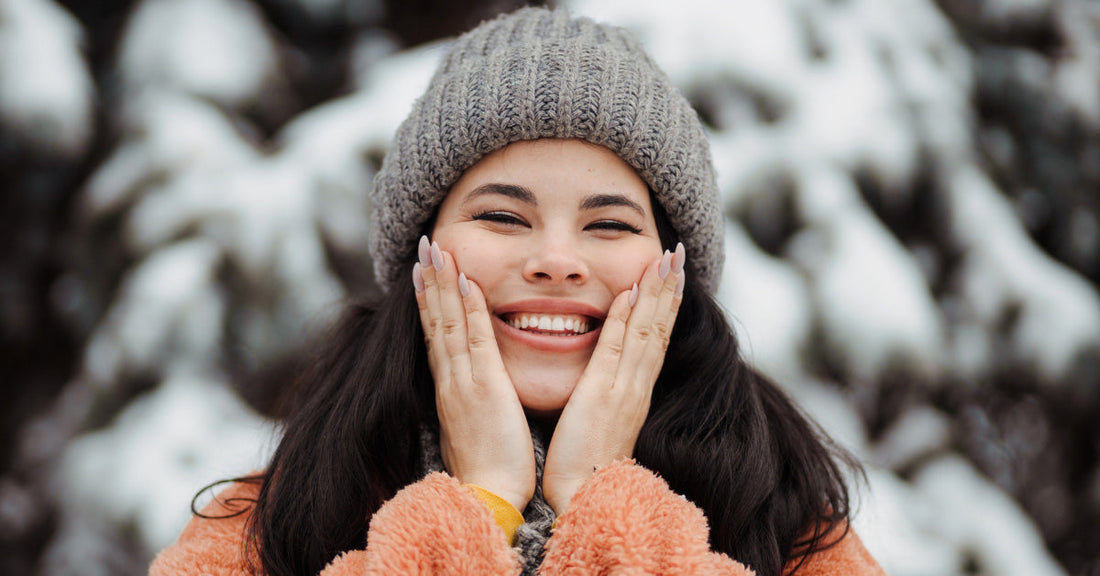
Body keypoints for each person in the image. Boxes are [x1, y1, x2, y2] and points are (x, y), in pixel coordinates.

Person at [151, 7, 884, 576]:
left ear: (673, 269)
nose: (557, 261)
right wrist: (479, 507)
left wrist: (603, 504)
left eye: (609, 223)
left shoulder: (793, 529)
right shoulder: (262, 524)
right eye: (503, 216)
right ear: (422, 255)